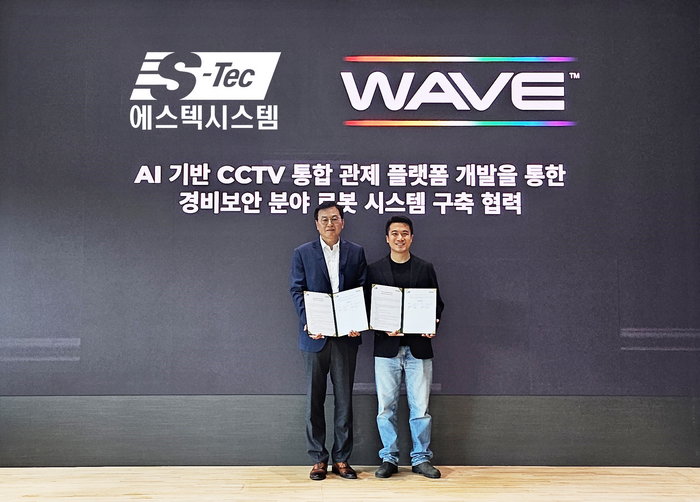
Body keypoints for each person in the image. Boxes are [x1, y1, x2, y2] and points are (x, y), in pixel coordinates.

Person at [290, 201, 368, 481]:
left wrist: (358, 320)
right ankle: (318, 459)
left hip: (346, 338)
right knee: (315, 400)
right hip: (315, 337)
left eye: (335, 218)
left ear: (342, 222)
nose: (329, 224)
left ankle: (342, 459)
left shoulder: (356, 252)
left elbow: (362, 289)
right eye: (324, 219)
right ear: (317, 224)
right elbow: (297, 290)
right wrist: (309, 321)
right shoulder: (302, 253)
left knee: (344, 401)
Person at [368, 215, 445, 479]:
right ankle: (388, 458)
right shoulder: (374, 269)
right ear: (387, 238)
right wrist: (380, 327)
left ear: (411, 237)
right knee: (385, 408)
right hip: (386, 349)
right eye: (394, 233)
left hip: (418, 348)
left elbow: (437, 303)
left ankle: (421, 459)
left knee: (420, 408)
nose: (399, 238)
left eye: (404, 233)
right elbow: (368, 307)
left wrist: (433, 322)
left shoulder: (425, 268)